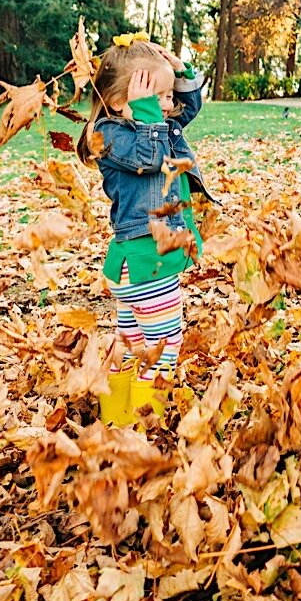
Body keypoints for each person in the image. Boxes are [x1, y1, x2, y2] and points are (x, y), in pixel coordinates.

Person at [77, 38, 209, 425]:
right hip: (146, 262)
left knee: (132, 343)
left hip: (133, 266)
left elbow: (188, 109)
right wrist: (149, 112)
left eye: (168, 96)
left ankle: (118, 421)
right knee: (162, 347)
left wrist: (180, 74)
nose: (168, 107)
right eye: (159, 97)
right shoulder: (112, 136)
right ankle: (147, 429)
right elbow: (149, 160)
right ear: (120, 102)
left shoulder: (148, 124)